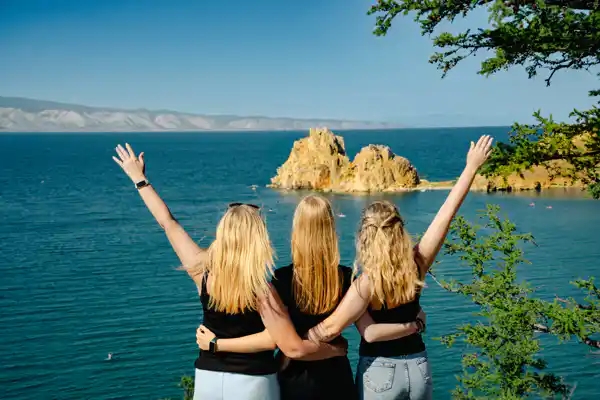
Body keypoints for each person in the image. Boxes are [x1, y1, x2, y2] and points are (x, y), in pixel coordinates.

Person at [112, 144, 342, 400]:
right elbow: (279, 343)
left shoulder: (202, 273)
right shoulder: (262, 290)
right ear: (258, 240)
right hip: (254, 382)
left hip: (208, 379)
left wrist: (140, 179)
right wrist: (334, 349)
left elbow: (168, 223)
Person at [306, 135, 494, 400]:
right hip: (419, 366)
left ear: (364, 236)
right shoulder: (417, 264)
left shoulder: (365, 284)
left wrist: (291, 342)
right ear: (400, 231)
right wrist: (471, 168)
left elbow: (333, 329)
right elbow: (445, 215)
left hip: (380, 372)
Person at [197, 195, 425, 400]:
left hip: (294, 381)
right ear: (331, 231)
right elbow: (367, 329)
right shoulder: (347, 278)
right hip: (337, 379)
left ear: (296, 232)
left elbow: (283, 343)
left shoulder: (280, 279)